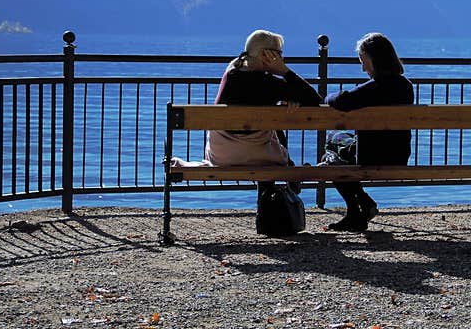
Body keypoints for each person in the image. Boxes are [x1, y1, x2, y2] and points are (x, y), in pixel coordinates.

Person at [170, 29, 321, 178]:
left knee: (270, 121)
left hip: (220, 156)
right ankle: (285, 174)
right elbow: (315, 99)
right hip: (260, 156)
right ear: (266, 55)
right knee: (273, 125)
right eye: (279, 54)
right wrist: (284, 71)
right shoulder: (271, 85)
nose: (282, 59)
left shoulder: (231, 71)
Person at [324, 32, 414, 231]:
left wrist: (327, 96)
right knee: (338, 147)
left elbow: (341, 101)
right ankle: (363, 204)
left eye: (364, 61)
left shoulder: (374, 88)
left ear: (375, 60)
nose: (363, 68)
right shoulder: (405, 86)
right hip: (399, 155)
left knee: (330, 155)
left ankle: (358, 209)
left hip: (369, 156)